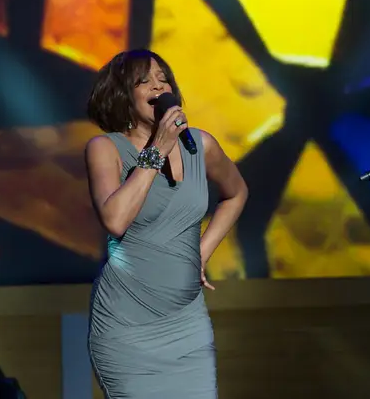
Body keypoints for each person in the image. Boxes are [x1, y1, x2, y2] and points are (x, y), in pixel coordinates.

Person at [84, 49, 248, 398]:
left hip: (187, 324)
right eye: (144, 81)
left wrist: (201, 253)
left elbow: (236, 194)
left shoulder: (200, 146)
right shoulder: (105, 149)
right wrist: (157, 148)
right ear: (122, 96)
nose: (159, 86)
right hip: (126, 327)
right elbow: (115, 219)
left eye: (164, 78)